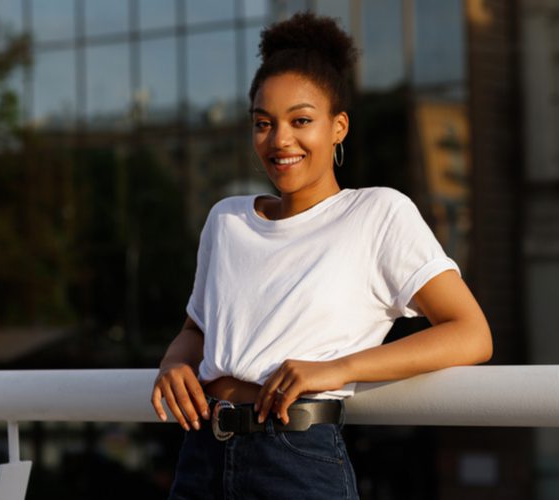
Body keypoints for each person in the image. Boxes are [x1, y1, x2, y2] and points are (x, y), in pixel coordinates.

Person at [151, 11, 492, 500]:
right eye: (263, 123)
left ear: (339, 127)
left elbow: (471, 334)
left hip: (294, 456)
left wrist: (338, 368)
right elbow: (197, 332)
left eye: (301, 121)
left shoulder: (378, 213)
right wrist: (172, 365)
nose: (280, 140)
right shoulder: (226, 220)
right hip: (200, 452)